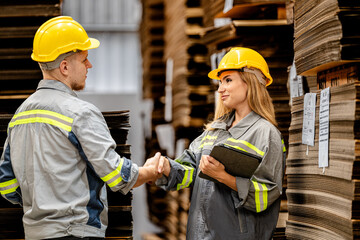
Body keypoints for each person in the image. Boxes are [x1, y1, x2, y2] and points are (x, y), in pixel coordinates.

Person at [0, 16, 162, 240]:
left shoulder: (19, 117)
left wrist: (43, 203)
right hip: (75, 233)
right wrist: (151, 172)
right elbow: (117, 175)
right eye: (84, 59)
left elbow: (7, 186)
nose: (89, 65)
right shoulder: (80, 113)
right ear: (65, 67)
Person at [153, 47, 286, 239]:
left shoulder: (266, 134)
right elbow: (190, 170)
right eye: (220, 81)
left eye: (228, 80)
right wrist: (167, 167)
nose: (220, 88)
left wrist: (224, 177)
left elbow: (267, 195)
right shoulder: (215, 130)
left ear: (250, 82)